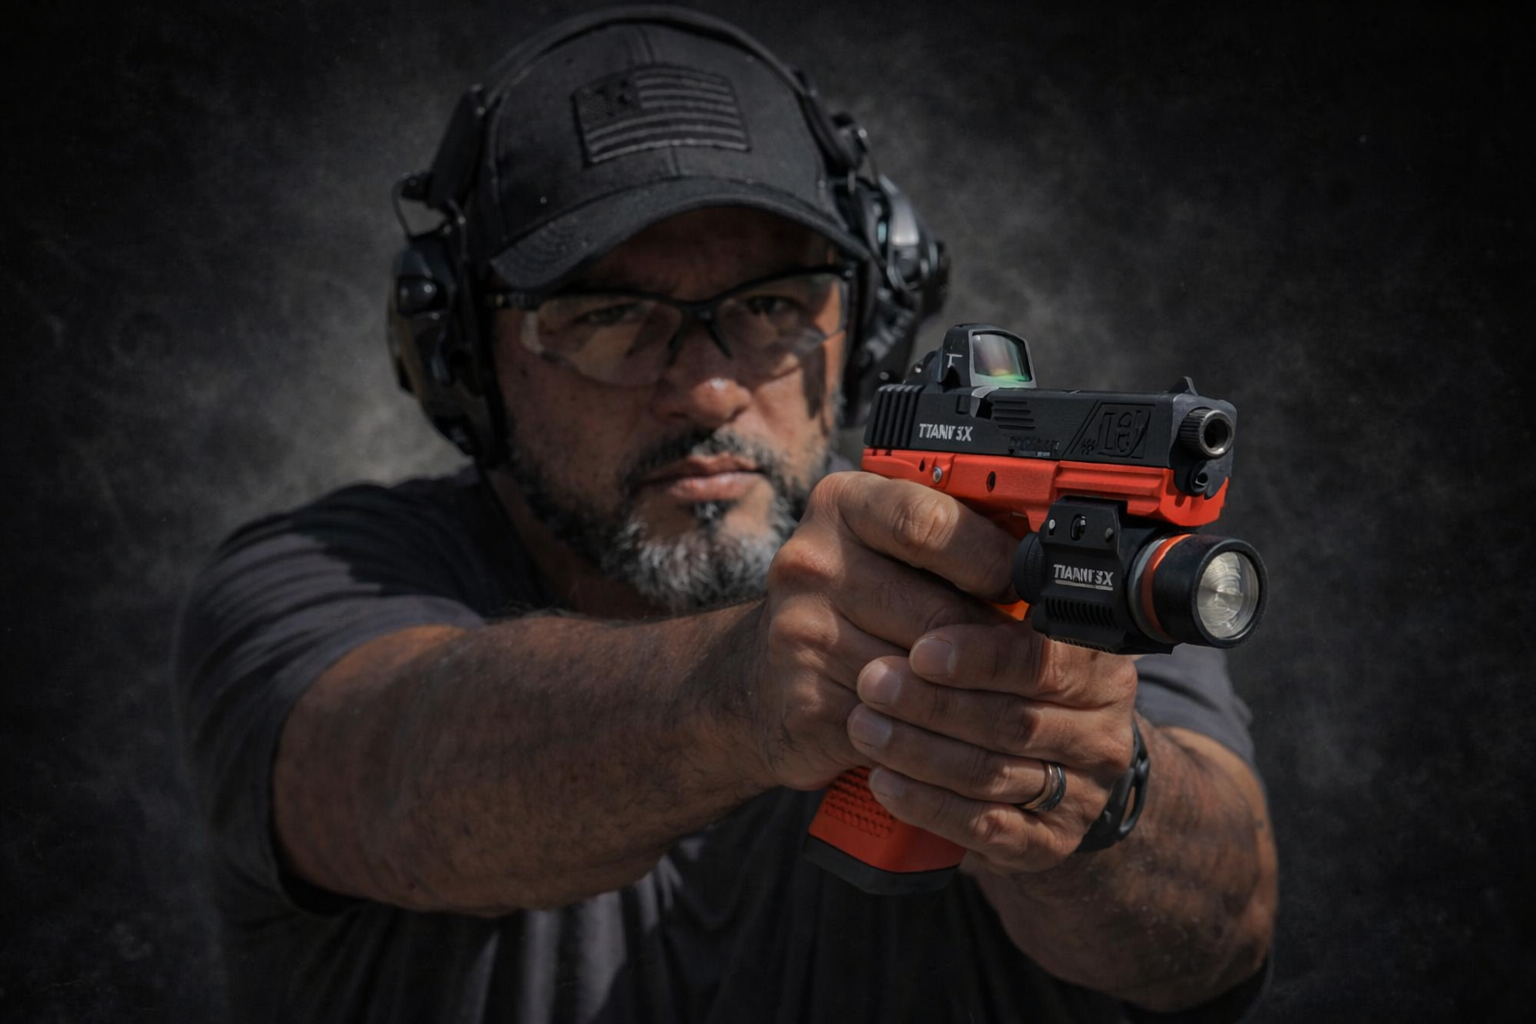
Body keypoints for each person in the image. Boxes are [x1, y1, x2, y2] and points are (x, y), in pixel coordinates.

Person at [174, 7, 1277, 1022]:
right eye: (607, 315)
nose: (708, 388)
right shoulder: (320, 572)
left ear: (868, 331)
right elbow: (395, 776)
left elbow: (1224, 931)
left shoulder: (1013, 554)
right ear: (464, 355)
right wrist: (739, 688)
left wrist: (1098, 799)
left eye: (773, 305)